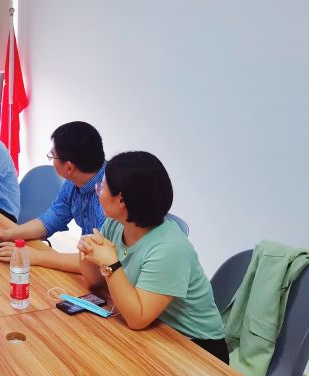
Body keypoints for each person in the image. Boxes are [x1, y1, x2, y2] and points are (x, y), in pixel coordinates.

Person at [77, 151, 228, 363]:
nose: (98, 191)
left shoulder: (169, 248)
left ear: (120, 200)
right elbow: (94, 281)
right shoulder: (116, 223)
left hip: (195, 347)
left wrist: (110, 262)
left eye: (102, 187)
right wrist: (88, 252)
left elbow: (137, 319)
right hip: (155, 329)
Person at [0, 121, 106, 272]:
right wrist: (7, 234)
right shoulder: (74, 181)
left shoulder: (110, 194)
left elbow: (99, 262)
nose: (51, 160)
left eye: (52, 156)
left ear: (69, 167)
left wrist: (36, 256)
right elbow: (52, 218)